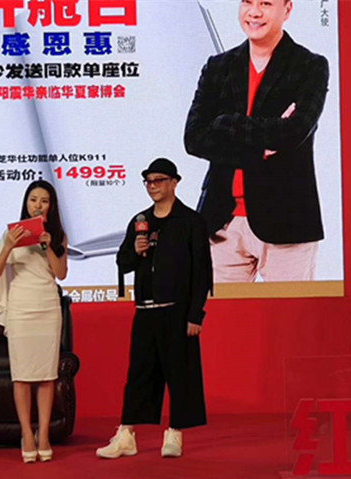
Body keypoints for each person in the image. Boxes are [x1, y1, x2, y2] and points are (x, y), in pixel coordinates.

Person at [184, 0, 329, 283]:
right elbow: (194, 138)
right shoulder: (218, 67)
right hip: (221, 222)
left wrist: (225, 122)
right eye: (247, 2)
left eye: (265, 3)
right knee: (220, 313)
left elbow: (293, 133)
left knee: (290, 312)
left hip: (287, 222)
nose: (254, 12)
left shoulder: (310, 66)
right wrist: (262, 147)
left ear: (287, 9)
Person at [96, 158, 212, 459]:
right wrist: (135, 251)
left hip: (177, 310)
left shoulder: (190, 221)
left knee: (180, 373)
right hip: (145, 310)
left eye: (159, 180)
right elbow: (123, 262)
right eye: (148, 181)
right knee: (139, 373)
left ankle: (175, 433)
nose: (153, 186)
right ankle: (126, 434)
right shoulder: (140, 221)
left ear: (174, 182)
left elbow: (202, 272)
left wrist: (195, 314)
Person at [0, 180, 68, 463]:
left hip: (47, 307)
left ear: (51, 206)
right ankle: (27, 434)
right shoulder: (12, 233)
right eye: (33, 200)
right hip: (21, 308)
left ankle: (43, 434)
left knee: (46, 376)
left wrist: (48, 246)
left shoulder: (57, 235)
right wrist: (8, 246)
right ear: (26, 202)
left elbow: (61, 273)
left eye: (44, 201)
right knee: (21, 376)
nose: (38, 205)